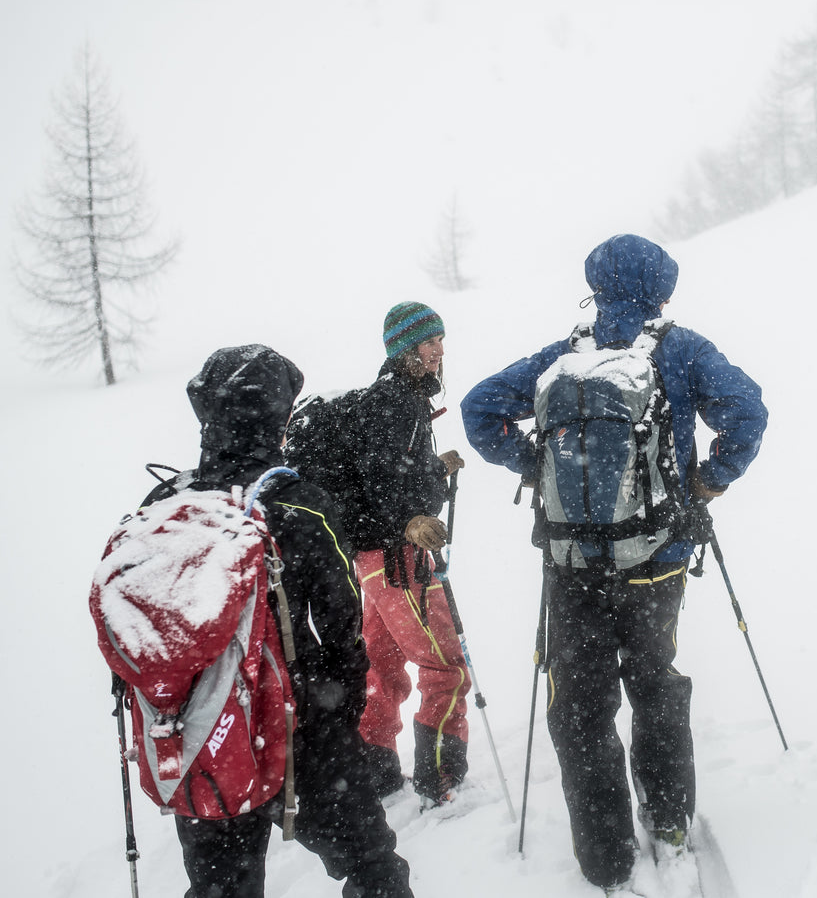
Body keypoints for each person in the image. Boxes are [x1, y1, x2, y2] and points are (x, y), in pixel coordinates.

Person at [460, 233, 768, 892]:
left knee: (580, 707)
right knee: (654, 684)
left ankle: (604, 858)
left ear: (595, 287)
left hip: (572, 563)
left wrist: (534, 465)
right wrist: (708, 481)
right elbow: (746, 411)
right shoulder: (681, 350)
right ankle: (669, 818)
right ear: (662, 291)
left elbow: (479, 408)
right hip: (657, 558)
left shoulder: (564, 357)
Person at [151, 344, 411, 898]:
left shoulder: (165, 505)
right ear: (278, 415)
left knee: (221, 887)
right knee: (372, 869)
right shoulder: (299, 504)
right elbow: (344, 626)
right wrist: (338, 715)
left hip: (202, 733)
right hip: (301, 725)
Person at [346, 301, 470, 808]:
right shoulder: (396, 401)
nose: (439, 350)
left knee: (382, 664)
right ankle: (441, 776)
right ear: (404, 347)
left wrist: (433, 468)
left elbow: (386, 473)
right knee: (445, 667)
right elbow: (382, 481)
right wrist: (409, 522)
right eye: (430, 342)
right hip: (399, 560)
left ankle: (374, 771)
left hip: (372, 562)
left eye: (441, 340)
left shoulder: (394, 398)